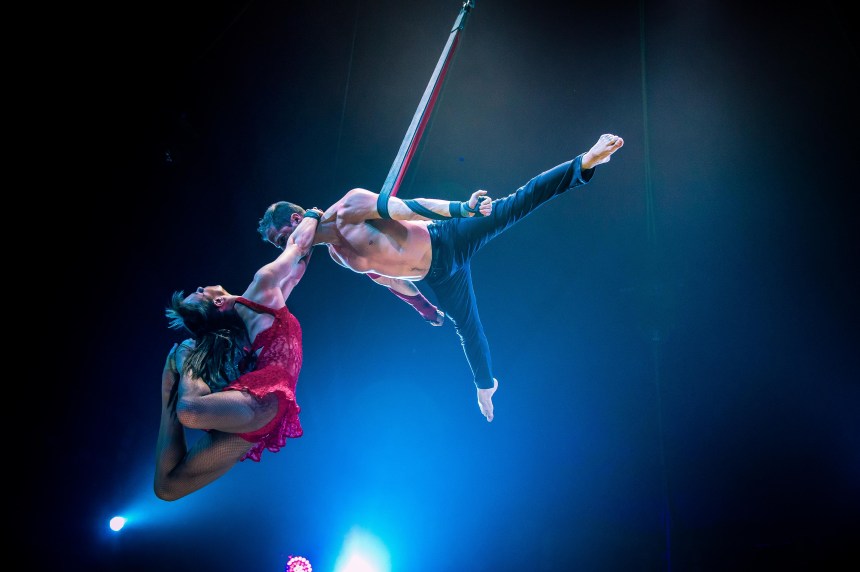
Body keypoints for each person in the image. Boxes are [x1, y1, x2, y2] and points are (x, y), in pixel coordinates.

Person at [257, 133, 624, 423]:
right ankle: (485, 386)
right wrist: (423, 307)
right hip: (439, 276)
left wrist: (460, 209)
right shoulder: (338, 255)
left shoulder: (350, 207)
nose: (287, 249)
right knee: (468, 330)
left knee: (517, 203)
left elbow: (409, 207)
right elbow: (387, 278)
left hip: (447, 237)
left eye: (282, 240)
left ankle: (585, 161)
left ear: (294, 222)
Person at [154, 211, 321, 501]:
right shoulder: (262, 286)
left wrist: (309, 229)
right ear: (219, 301)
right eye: (199, 292)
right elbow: (298, 249)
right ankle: (170, 392)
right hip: (262, 398)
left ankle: (172, 387)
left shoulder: (252, 312)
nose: (200, 286)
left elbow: (298, 263)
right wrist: (312, 214)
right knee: (185, 425)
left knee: (168, 487)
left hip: (257, 411)